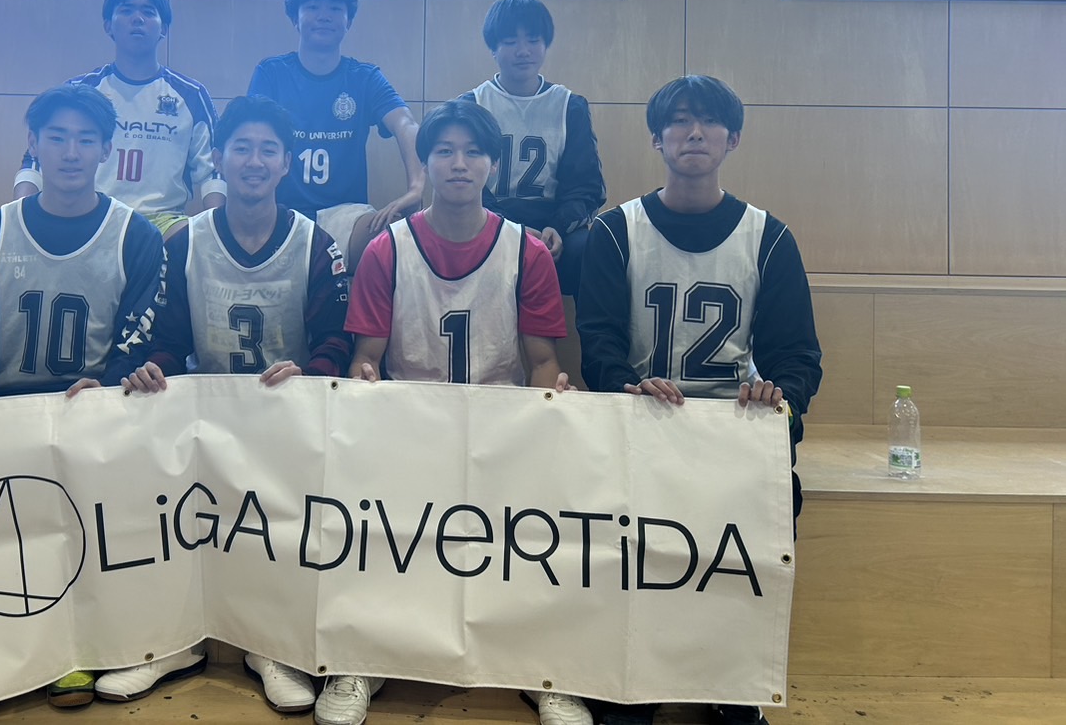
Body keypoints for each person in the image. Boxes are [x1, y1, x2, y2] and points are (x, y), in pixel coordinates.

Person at [319, 99, 591, 725]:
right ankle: (359, 655)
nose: (459, 163)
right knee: (366, 527)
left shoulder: (527, 251)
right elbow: (367, 357)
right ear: (426, 163)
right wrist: (363, 382)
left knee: (541, 532)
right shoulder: (387, 249)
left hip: (499, 429)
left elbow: (542, 359)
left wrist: (549, 406)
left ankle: (544, 666)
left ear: (493, 165)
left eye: (473, 152)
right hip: (407, 428)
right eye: (444, 151)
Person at [576, 75, 824, 725]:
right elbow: (598, 346)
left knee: (771, 505)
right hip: (640, 423)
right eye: (679, 121)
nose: (693, 133)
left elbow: (798, 357)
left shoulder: (768, 237)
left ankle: (731, 677)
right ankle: (630, 676)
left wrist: (777, 400)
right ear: (656, 139)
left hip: (728, 430)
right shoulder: (615, 231)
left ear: (731, 138)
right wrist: (628, 388)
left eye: (708, 121)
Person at [109, 95, 352, 712]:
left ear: (286, 162)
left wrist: (310, 374)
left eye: (268, 150)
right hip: (207, 420)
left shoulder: (315, 243)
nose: (254, 160)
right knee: (163, 501)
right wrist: (153, 371)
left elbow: (336, 342)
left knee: (282, 523)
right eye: (242, 148)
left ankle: (271, 647)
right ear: (218, 158)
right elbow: (167, 341)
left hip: (288, 421)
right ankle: (172, 641)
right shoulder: (183, 242)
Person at [0, 82, 165, 710]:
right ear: (34, 145)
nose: (70, 151)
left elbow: (141, 333)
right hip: (9, 411)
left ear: (106, 150)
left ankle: (77, 651)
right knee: (3, 537)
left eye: (85, 140)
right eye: (57, 138)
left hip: (94, 412)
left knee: (91, 538)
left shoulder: (136, 235)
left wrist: (112, 384)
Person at [14, 0, 223, 237]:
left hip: (164, 221)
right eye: (126, 10)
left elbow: (212, 172)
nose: (137, 19)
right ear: (108, 25)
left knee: (188, 239)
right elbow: (34, 159)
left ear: (164, 28)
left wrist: (218, 234)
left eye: (148, 12)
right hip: (91, 213)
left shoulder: (192, 95)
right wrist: (18, 219)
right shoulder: (79, 92)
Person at [248, 0, 425, 271]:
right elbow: (248, 134)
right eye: (312, 7)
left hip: (348, 215)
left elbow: (405, 124)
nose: (324, 16)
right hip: (278, 211)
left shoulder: (365, 77)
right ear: (295, 18)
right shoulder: (272, 73)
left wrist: (416, 187)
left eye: (334, 8)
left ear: (348, 21)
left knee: (397, 238)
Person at [461, 0, 605, 297]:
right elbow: (463, 182)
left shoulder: (569, 106)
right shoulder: (471, 106)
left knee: (590, 249)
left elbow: (586, 186)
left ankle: (586, 331)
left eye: (533, 40)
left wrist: (558, 227)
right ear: (493, 48)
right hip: (487, 220)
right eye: (510, 41)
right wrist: (510, 229)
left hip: (552, 224)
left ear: (546, 44)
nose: (523, 51)